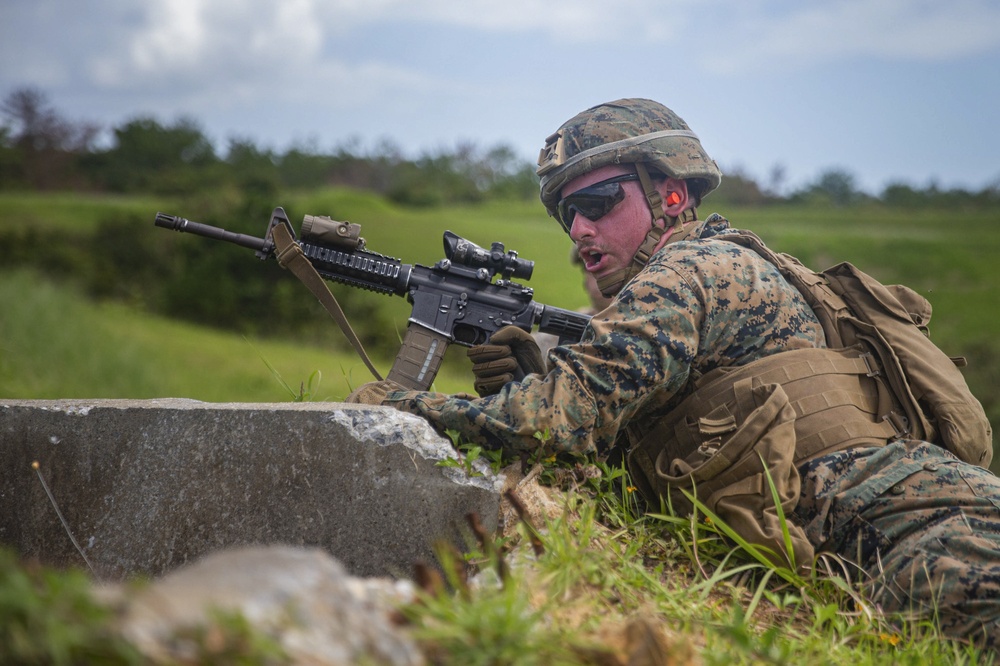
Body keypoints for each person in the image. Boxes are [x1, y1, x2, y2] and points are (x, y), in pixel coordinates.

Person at [348, 98, 999, 650]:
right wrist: (528, 382)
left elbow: (551, 426)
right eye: (567, 214)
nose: (579, 229)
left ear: (673, 195)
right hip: (891, 540)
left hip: (931, 533)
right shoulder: (729, 269)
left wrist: (401, 407)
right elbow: (624, 479)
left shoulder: (692, 272)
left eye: (599, 202)